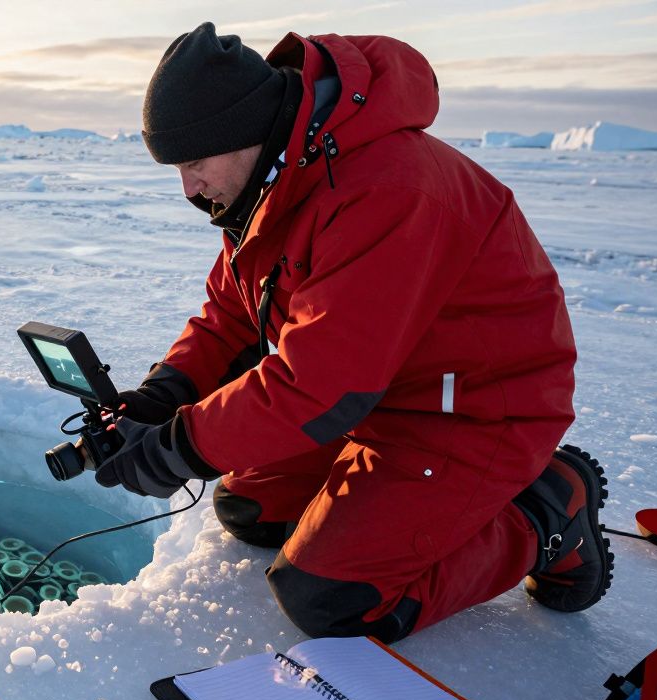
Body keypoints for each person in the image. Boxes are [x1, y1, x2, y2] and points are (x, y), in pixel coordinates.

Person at [92, 23, 613, 643]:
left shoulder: (386, 190)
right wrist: (164, 394)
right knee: (250, 508)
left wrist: (179, 446)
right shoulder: (275, 181)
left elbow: (318, 385)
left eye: (194, 162)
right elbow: (229, 315)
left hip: (471, 411)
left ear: (242, 133)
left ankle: (550, 508)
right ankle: (381, 504)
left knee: (330, 599)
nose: (188, 186)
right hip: (377, 393)